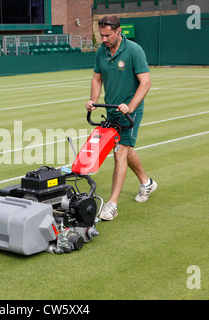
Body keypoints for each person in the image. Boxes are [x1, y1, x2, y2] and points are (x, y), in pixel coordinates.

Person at [86, 15, 157, 221]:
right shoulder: (101, 52)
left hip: (131, 111)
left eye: (107, 35)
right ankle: (146, 182)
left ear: (118, 31)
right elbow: (97, 78)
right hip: (111, 110)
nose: (104, 39)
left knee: (119, 152)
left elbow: (145, 82)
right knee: (127, 149)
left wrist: (131, 106)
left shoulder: (134, 51)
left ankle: (112, 204)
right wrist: (93, 101)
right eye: (101, 35)